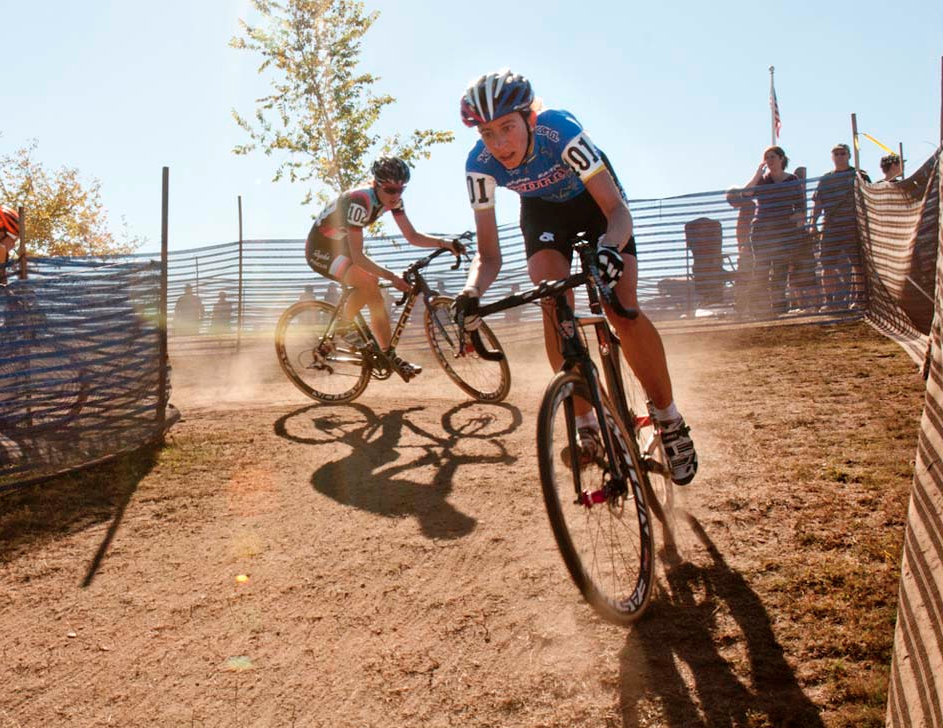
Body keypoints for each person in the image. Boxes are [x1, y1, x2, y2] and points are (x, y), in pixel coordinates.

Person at [451, 69, 697, 485]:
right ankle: (587, 426)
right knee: (552, 301)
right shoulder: (479, 166)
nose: (500, 144)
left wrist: (609, 249)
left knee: (621, 307)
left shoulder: (560, 130)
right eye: (488, 133)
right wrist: (471, 290)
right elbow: (488, 256)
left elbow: (618, 213)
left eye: (507, 128)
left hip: (598, 206)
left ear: (530, 119)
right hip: (544, 215)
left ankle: (669, 418)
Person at [305, 156, 464, 380]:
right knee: (369, 282)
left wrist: (445, 243)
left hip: (341, 247)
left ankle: (389, 354)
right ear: (376, 184)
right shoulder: (360, 201)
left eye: (401, 190)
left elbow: (412, 236)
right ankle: (343, 325)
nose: (396, 196)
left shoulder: (394, 201)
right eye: (390, 190)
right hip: (320, 248)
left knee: (375, 296)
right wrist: (392, 276)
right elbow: (359, 257)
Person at [741, 146, 805, 314]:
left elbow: (800, 208)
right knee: (761, 268)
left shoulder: (792, 180)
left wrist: (795, 228)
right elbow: (746, 194)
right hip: (762, 231)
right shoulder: (762, 180)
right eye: (767, 158)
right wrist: (757, 173)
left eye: (773, 157)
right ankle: (759, 308)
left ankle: (778, 307)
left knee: (780, 269)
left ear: (781, 159)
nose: (770, 161)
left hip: (784, 232)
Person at [809, 144, 869, 310]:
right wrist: (812, 223)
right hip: (831, 227)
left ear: (849, 155)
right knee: (827, 264)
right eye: (836, 153)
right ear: (832, 156)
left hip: (852, 226)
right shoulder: (826, 179)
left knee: (857, 263)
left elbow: (869, 198)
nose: (839, 156)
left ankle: (859, 299)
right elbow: (818, 203)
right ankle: (830, 301)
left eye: (842, 153)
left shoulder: (858, 175)